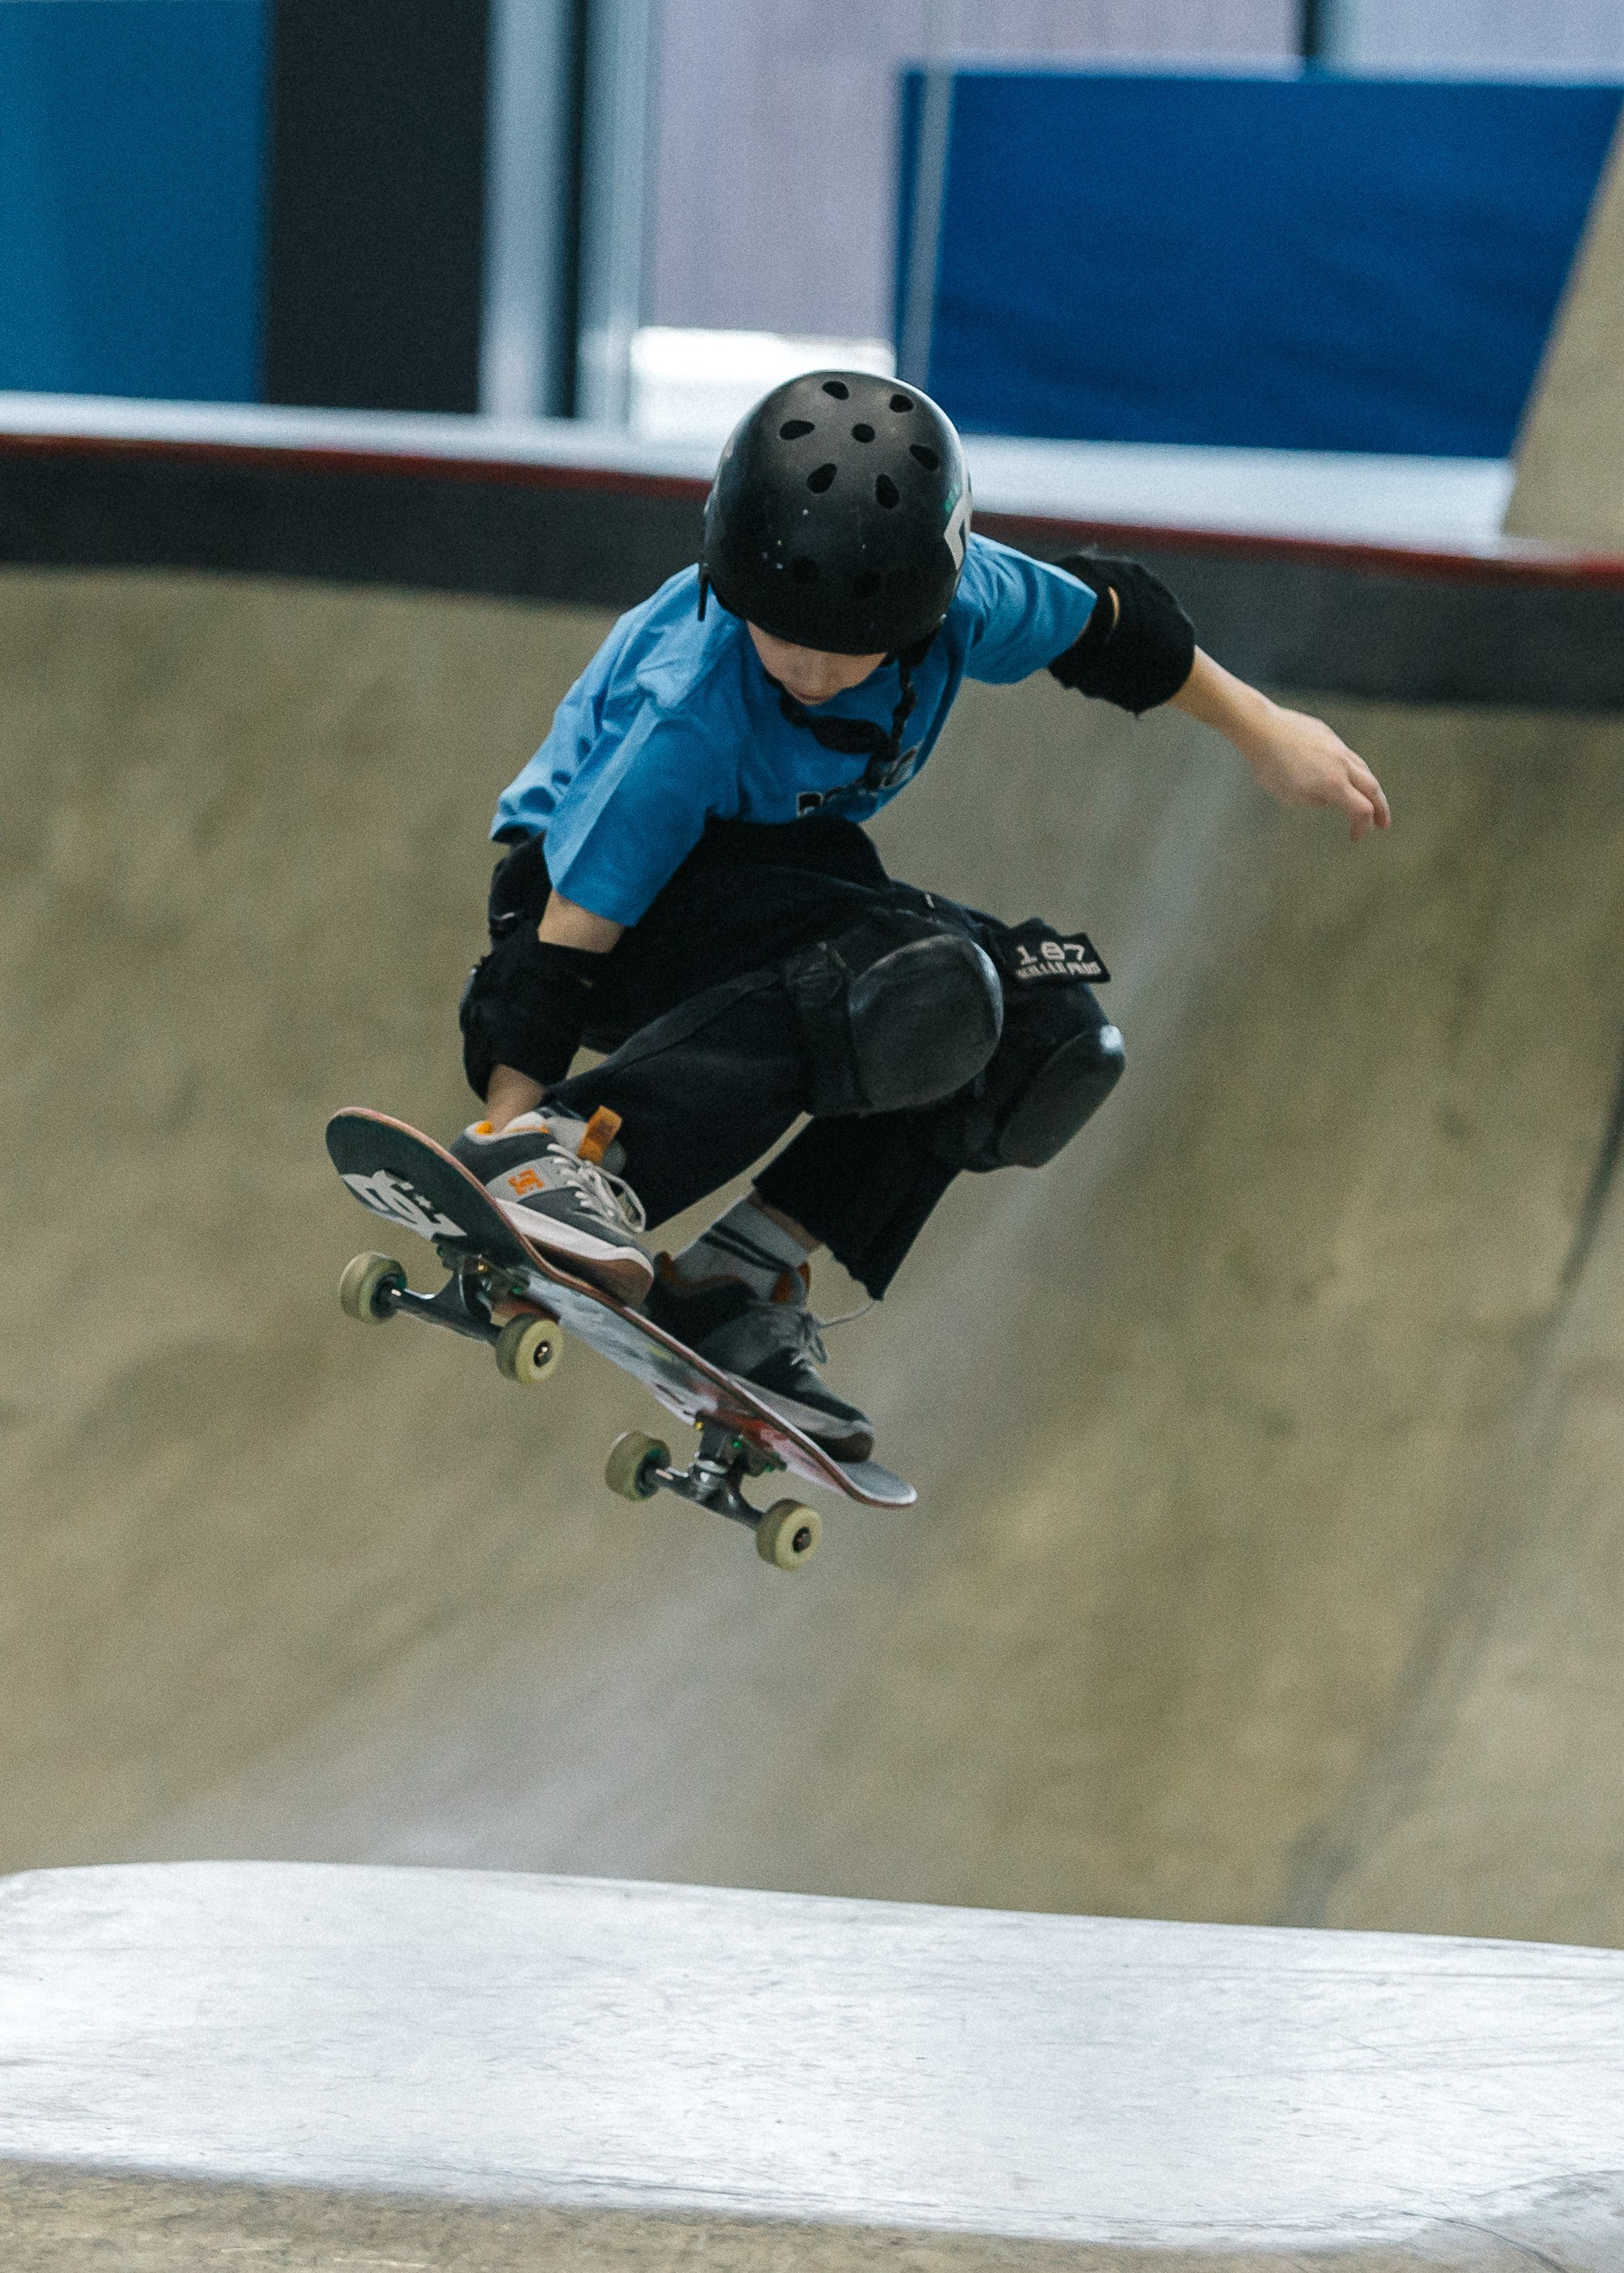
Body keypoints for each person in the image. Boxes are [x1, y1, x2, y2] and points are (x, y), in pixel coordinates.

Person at [453, 372, 1389, 1463]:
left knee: (1045, 1026)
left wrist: (1261, 727)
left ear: (925, 610)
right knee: (905, 977)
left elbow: (1118, 628)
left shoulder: (968, 600)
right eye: (780, 636)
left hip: (782, 897)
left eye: (843, 652)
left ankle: (732, 1277)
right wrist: (509, 1147)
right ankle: (580, 1157)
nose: (805, 670)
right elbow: (569, 927)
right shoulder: (690, 708)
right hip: (579, 915)